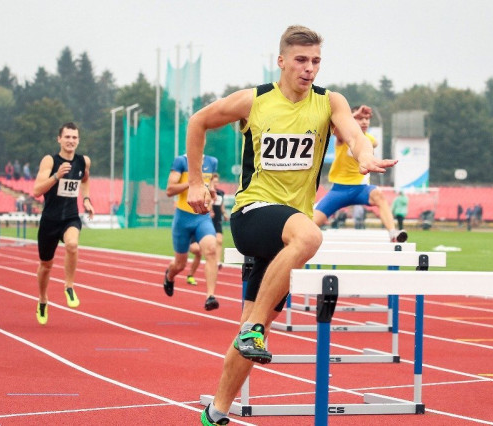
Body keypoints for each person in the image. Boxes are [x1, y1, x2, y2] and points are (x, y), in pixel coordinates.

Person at [184, 25, 398, 425]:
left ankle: (216, 411)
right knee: (310, 235)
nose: (309, 68)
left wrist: (365, 155)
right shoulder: (254, 100)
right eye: (301, 60)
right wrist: (195, 182)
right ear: (281, 61)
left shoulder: (329, 102)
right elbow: (198, 121)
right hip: (253, 213)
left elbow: (353, 134)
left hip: (286, 232)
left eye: (316, 61)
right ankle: (252, 329)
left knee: (255, 326)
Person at [313, 104, 407, 242]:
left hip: (360, 189)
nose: (364, 122)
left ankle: (393, 234)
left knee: (379, 195)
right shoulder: (342, 137)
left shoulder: (369, 139)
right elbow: (335, 126)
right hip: (339, 190)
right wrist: (351, 118)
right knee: (311, 224)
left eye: (367, 119)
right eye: (360, 118)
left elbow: (374, 143)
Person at [32, 122, 94, 325]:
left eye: (74, 137)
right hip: (50, 220)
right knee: (46, 265)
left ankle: (69, 286)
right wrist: (56, 176)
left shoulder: (83, 161)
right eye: (67, 137)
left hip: (70, 217)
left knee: (72, 245)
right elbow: (36, 191)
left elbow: (85, 180)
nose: (71, 141)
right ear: (59, 139)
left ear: (79, 140)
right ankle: (43, 299)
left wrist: (86, 200)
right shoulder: (50, 161)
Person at [163, 153, 220, 311]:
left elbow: (209, 185)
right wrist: (192, 183)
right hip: (183, 218)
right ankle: (169, 276)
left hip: (202, 218)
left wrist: (211, 192)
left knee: (211, 250)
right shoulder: (181, 161)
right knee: (180, 264)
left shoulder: (212, 161)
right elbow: (170, 190)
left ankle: (210, 296)